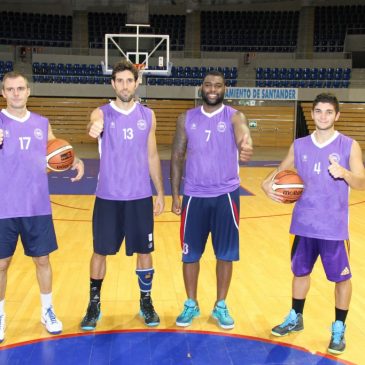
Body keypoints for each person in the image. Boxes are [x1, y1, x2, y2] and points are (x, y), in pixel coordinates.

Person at [261, 93, 365, 355]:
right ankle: (296, 317)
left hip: (333, 227)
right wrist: (266, 182)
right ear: (313, 114)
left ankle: (339, 326)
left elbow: (362, 183)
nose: (323, 116)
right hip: (303, 224)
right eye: (318, 111)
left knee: (341, 278)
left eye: (329, 112)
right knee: (300, 273)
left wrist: (345, 173)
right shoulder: (299, 145)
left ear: (337, 115)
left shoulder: (349, 145)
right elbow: (280, 170)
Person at [0, 71, 84, 343]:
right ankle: (0, 316)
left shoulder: (41, 123)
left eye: (20, 88)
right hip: (4, 208)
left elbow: (55, 152)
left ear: (28, 91)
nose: (15, 93)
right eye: (10, 89)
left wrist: (75, 159)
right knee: (1, 264)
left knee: (43, 260)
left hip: (36, 206)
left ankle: (47, 310)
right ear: (3, 93)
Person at [80, 60, 164, 330]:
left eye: (130, 80)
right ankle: (94, 305)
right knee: (99, 252)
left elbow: (152, 155)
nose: (125, 86)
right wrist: (94, 127)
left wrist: (160, 191)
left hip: (140, 196)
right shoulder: (102, 113)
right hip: (108, 197)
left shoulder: (148, 116)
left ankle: (146, 302)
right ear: (113, 84)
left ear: (137, 83)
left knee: (145, 251)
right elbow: (94, 122)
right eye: (120, 81)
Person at [170, 70, 253, 329]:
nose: (213, 88)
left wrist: (245, 142)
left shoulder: (234, 116)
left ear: (224, 89)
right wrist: (175, 194)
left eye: (218, 85)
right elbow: (176, 156)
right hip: (194, 195)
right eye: (208, 84)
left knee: (225, 254)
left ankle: (220, 305)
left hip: (226, 195)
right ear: (201, 88)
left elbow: (242, 132)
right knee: (189, 254)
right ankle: (191, 303)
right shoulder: (186, 118)